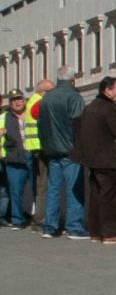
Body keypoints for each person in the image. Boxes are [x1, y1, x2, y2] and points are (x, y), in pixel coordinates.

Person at [71, 77, 116, 244]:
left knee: (95, 195)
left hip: (92, 159)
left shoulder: (90, 107)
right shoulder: (108, 108)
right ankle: (109, 234)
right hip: (108, 159)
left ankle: (95, 231)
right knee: (109, 197)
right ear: (108, 90)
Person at [37, 66, 89, 239]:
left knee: (53, 189)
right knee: (74, 189)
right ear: (73, 79)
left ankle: (49, 226)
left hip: (51, 150)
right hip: (70, 150)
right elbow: (79, 124)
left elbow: (41, 126)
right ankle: (74, 227)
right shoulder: (74, 97)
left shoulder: (46, 98)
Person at [2, 89, 35, 229]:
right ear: (10, 103)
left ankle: (39, 219)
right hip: (14, 158)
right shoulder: (4, 118)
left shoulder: (32, 114)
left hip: (33, 156)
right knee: (15, 191)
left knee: (38, 191)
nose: (17, 102)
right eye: (14, 100)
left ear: (25, 100)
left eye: (20, 99)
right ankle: (17, 220)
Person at [26, 79, 51, 232]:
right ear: (44, 92)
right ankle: (40, 219)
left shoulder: (33, 100)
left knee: (41, 185)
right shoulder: (40, 103)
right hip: (42, 147)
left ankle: (40, 218)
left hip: (35, 148)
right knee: (44, 185)